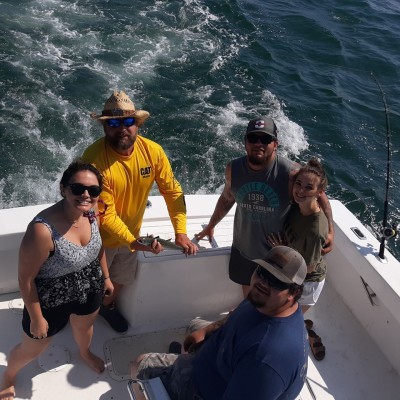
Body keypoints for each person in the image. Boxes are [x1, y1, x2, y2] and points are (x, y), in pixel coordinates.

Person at [82, 90, 198, 333]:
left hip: (131, 236)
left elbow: (173, 192)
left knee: (122, 279)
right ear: (104, 127)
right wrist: (134, 242)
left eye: (128, 121)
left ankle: (106, 307)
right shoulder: (93, 160)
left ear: (138, 124)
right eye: (113, 123)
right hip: (97, 238)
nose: (122, 129)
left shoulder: (153, 152)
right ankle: (85, 315)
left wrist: (181, 232)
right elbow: (105, 215)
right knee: (92, 285)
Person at [131, 245, 308, 400]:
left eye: (275, 281)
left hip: (204, 389)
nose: (263, 283)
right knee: (193, 325)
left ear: (294, 292)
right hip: (219, 360)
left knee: (139, 365)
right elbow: (237, 315)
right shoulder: (266, 302)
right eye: (262, 272)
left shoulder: (265, 361)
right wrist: (207, 331)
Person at [0, 160, 112, 400]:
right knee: (32, 349)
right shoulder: (42, 230)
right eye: (77, 188)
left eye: (93, 190)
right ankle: (8, 375)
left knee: (84, 327)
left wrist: (106, 277)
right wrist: (37, 318)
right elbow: (25, 278)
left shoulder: (92, 212)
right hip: (51, 298)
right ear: (63, 188)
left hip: (89, 286)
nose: (86, 195)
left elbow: (98, 247)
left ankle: (84, 353)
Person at [196, 117, 334, 297]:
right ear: (245, 142)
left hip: (277, 256)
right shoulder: (233, 168)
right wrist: (210, 225)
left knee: (271, 301)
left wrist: (330, 230)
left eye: (265, 139)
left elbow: (320, 196)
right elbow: (227, 199)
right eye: (253, 138)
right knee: (248, 292)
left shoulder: (291, 173)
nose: (258, 144)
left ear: (275, 144)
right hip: (243, 247)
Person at [268, 158, 329, 360]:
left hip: (307, 282)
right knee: (283, 313)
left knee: (284, 319)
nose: (300, 190)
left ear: (319, 192)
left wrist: (281, 251)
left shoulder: (314, 229)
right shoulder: (298, 206)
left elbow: (309, 268)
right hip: (293, 274)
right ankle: (302, 325)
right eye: (298, 184)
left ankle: (305, 336)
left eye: (309, 187)